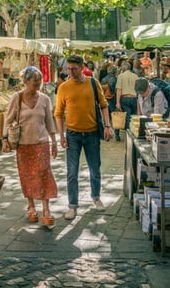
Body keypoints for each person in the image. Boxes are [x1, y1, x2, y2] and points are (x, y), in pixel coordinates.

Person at [54, 55, 112, 220]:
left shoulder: (93, 83)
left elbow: (104, 105)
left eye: (73, 69)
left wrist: (107, 126)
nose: (70, 72)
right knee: (72, 172)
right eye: (68, 69)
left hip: (92, 133)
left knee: (95, 168)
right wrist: (61, 135)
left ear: (82, 67)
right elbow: (58, 114)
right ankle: (72, 205)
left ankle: (96, 197)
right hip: (72, 134)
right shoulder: (64, 87)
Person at [2, 67, 59, 228]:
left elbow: (49, 121)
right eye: (35, 82)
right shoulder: (17, 98)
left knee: (44, 174)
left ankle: (46, 209)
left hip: (41, 143)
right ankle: (31, 205)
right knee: (27, 176)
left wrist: (54, 142)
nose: (38, 85)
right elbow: (8, 119)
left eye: (40, 82)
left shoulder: (45, 99)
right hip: (23, 145)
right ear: (26, 82)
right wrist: (4, 138)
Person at [116, 62, 138, 131]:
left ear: (123, 68)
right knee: (134, 117)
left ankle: (128, 135)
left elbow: (119, 89)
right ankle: (133, 132)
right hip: (134, 98)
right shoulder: (135, 76)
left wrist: (118, 102)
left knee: (127, 117)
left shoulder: (120, 76)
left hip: (125, 98)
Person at [100, 65, 120, 140]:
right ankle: (116, 133)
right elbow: (115, 88)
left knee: (106, 117)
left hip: (105, 98)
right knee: (115, 117)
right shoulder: (115, 78)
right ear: (115, 71)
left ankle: (106, 134)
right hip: (112, 99)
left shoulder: (103, 78)